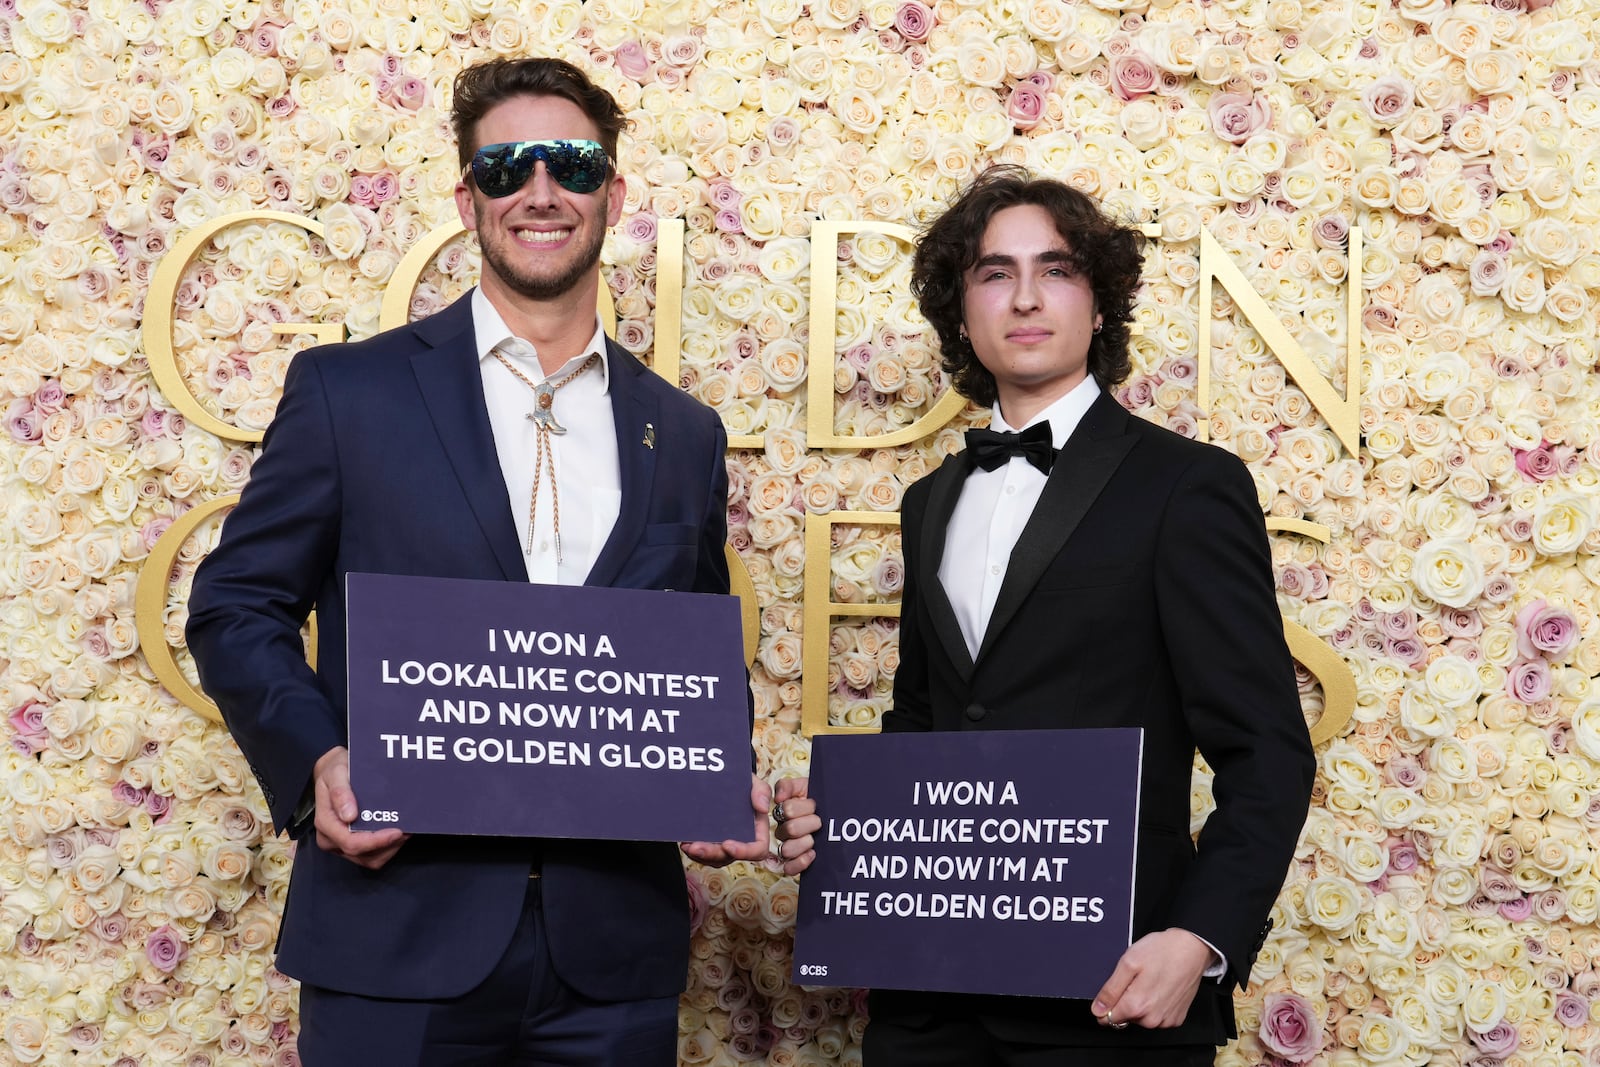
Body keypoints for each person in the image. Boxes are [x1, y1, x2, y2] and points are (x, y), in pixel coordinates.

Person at [186, 57, 768, 1066]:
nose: (540, 191)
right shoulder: (347, 392)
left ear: (613, 196)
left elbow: (689, 652)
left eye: (572, 164)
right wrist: (318, 757)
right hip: (394, 937)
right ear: (468, 200)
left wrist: (713, 782)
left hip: (612, 956)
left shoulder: (683, 432)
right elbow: (235, 605)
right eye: (506, 167)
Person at [774, 167, 1315, 1065]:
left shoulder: (1187, 485)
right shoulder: (930, 501)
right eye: (994, 274)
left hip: (1115, 996)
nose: (1025, 296)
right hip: (927, 1000)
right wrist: (836, 826)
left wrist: (1199, 940)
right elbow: (926, 727)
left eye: (1056, 270)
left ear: (1100, 305)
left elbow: (1268, 749)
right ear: (961, 313)